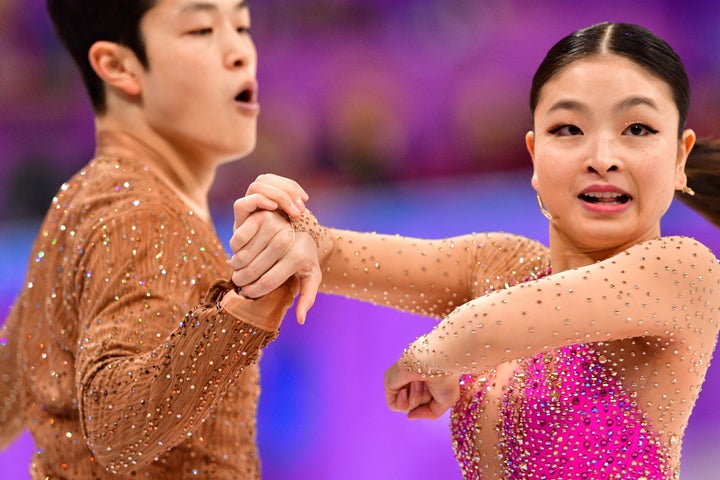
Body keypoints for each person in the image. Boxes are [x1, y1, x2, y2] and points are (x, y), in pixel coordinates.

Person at [227, 22, 720, 479]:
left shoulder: (682, 269)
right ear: (534, 155)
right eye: (569, 129)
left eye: (637, 129)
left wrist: (433, 357)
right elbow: (332, 253)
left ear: (679, 157)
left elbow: (483, 328)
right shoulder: (498, 265)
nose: (602, 159)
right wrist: (281, 224)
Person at [0, 0, 313, 478]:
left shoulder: (84, 197)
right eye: (202, 30)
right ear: (118, 65)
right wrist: (247, 306)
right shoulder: (141, 217)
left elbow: (14, 385)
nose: (239, 53)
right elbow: (117, 429)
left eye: (242, 24)